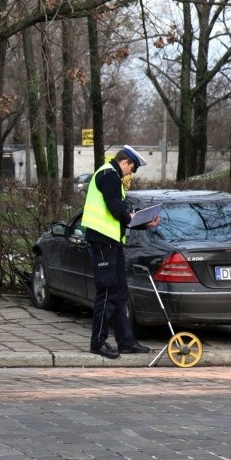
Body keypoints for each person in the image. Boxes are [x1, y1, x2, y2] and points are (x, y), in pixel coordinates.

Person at [82, 145, 160, 359]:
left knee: (120, 294)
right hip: (102, 242)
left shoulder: (112, 177)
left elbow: (122, 215)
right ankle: (98, 342)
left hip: (112, 243)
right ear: (125, 162)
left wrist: (145, 223)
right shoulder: (109, 175)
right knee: (107, 293)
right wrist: (131, 218)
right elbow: (116, 208)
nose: (131, 173)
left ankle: (126, 341)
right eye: (132, 168)